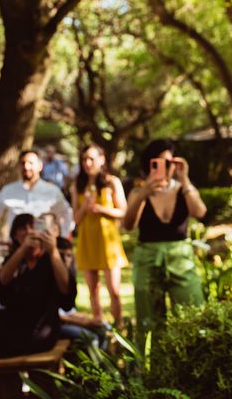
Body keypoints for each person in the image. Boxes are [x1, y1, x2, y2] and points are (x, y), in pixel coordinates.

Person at [122, 139, 205, 341]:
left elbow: (200, 211)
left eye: (168, 163)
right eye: (156, 163)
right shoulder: (137, 192)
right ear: (148, 165)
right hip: (147, 258)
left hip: (181, 259)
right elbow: (129, 224)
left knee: (191, 314)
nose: (163, 168)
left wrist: (185, 179)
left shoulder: (183, 190)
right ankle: (152, 369)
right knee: (149, 321)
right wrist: (144, 192)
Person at [0, 213, 77, 358]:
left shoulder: (52, 259)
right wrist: (23, 249)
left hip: (41, 333)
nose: (29, 232)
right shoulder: (14, 259)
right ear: (15, 235)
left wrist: (53, 251)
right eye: (22, 228)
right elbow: (3, 281)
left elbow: (66, 291)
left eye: (32, 227)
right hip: (11, 331)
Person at [71, 144, 128, 328]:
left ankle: (119, 327)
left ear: (102, 159)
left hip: (108, 242)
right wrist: (86, 207)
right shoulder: (78, 186)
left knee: (114, 290)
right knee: (93, 290)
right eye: (84, 159)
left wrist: (101, 209)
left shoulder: (112, 182)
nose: (87, 163)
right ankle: (100, 325)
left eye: (91, 159)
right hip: (88, 241)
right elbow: (76, 219)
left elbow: (123, 211)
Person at [0, 149, 73, 246]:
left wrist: (60, 238)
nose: (26, 166)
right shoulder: (8, 191)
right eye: (23, 163)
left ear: (40, 166)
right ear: (18, 166)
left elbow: (67, 214)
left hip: (43, 249)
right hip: (16, 249)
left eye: (31, 163)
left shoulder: (52, 191)